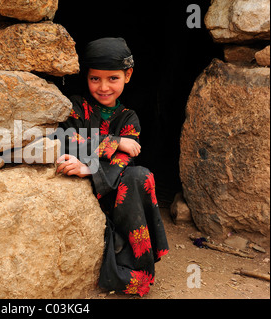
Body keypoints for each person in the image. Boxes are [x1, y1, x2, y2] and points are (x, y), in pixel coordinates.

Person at [55, 37, 169, 297]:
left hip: (117, 196)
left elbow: (128, 158)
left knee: (141, 176)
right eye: (95, 78)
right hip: (83, 192)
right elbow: (67, 141)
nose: (103, 87)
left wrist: (90, 168)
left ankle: (138, 269)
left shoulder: (129, 117)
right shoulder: (75, 107)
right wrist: (116, 142)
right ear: (86, 77)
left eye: (112, 79)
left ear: (127, 75)